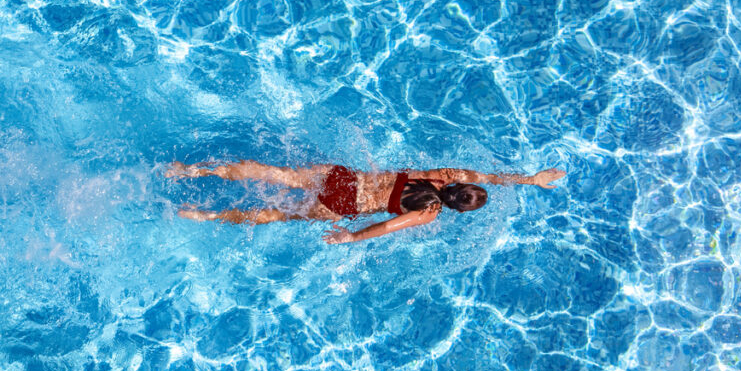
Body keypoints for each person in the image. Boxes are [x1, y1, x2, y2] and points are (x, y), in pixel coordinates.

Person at [166, 161, 566, 244]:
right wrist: (352, 238)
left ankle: (196, 172)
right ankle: (209, 216)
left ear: (458, 183)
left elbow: (488, 177)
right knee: (275, 214)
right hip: (340, 207)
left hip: (341, 178)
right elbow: (387, 227)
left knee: (273, 174)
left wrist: (530, 179)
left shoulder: (443, 173)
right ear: (459, 210)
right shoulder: (428, 213)